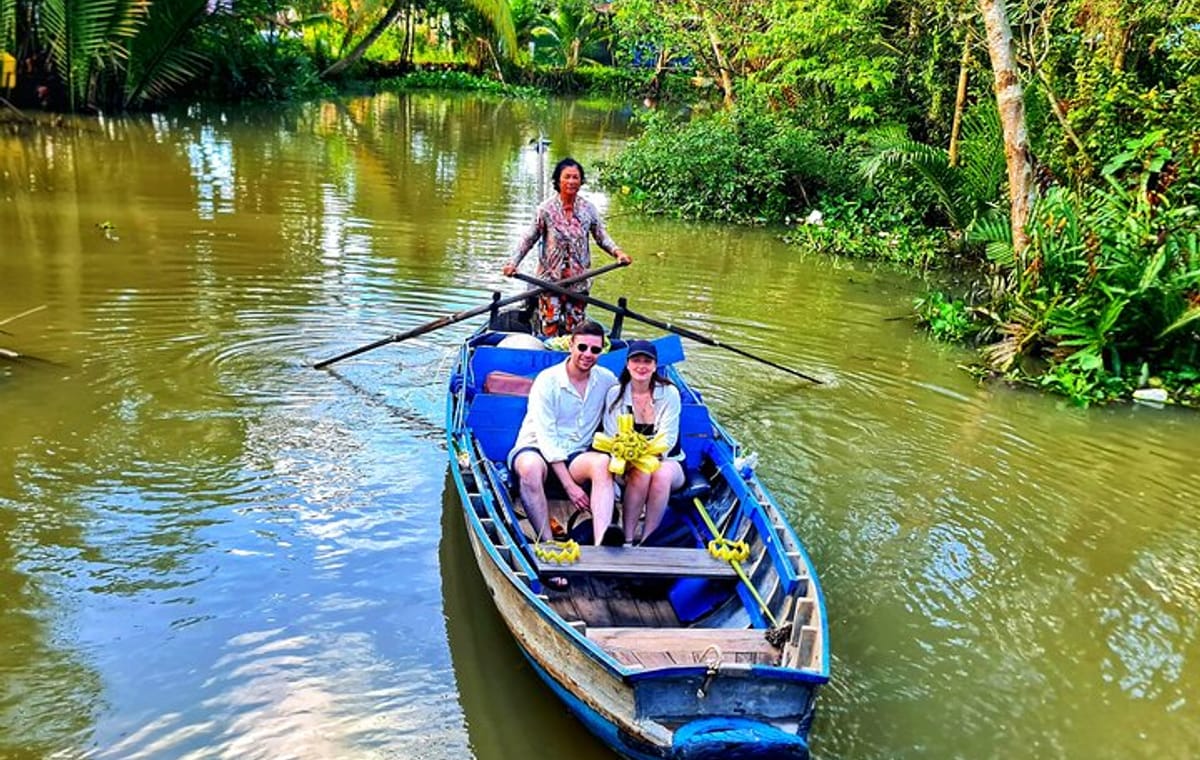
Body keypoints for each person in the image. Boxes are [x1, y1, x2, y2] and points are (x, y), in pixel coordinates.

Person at [508, 320, 621, 555]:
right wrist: (570, 487)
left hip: (576, 454)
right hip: (536, 448)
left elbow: (621, 410)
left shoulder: (607, 380)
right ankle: (547, 544)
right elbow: (546, 437)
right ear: (571, 345)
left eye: (595, 350)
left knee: (602, 463)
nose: (587, 354)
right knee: (529, 468)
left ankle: (602, 544)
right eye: (582, 347)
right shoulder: (547, 380)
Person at [502, 157, 632, 337]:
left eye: (575, 177)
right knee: (550, 326)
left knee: (576, 328)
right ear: (558, 181)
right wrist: (512, 263)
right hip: (550, 281)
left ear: (581, 181)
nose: (571, 181)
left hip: (579, 281)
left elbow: (601, 237)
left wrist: (618, 253)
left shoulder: (588, 209)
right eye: (567, 177)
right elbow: (529, 238)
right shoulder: (546, 209)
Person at [602, 339, 685, 546]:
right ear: (628, 364)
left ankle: (649, 540)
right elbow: (613, 437)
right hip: (626, 462)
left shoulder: (669, 393)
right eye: (636, 360)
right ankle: (628, 538)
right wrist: (629, 458)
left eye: (647, 361)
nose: (641, 366)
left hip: (668, 461)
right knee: (641, 472)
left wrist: (646, 455)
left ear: (655, 366)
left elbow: (667, 439)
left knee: (660, 473)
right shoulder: (616, 394)